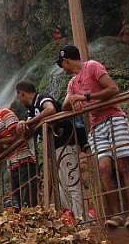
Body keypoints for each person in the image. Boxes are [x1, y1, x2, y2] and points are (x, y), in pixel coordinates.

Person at [58, 45, 129, 228]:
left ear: (67, 61)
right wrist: (73, 100)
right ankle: (117, 215)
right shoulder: (72, 83)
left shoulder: (92, 66)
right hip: (96, 127)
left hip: (114, 119)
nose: (62, 68)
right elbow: (64, 107)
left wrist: (85, 97)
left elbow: (113, 89)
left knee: (123, 166)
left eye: (62, 64)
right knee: (104, 168)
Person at [15, 80, 86, 219]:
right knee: (62, 186)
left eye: (19, 97)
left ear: (21, 93)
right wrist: (23, 124)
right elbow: (28, 130)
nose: (20, 100)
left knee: (72, 181)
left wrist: (29, 122)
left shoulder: (41, 98)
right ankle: (74, 217)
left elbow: (50, 109)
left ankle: (82, 218)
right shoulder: (31, 110)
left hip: (66, 143)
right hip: (55, 149)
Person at [0, 93, 38, 210]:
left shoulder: (5, 114)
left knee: (29, 200)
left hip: (24, 161)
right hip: (11, 167)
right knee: (20, 202)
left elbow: (18, 136)